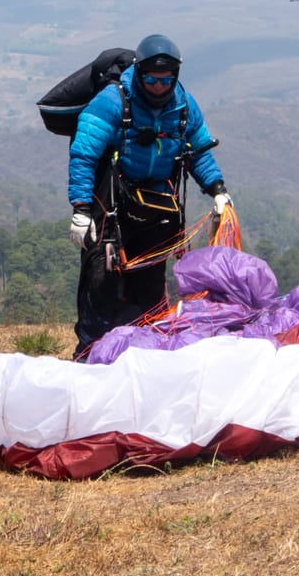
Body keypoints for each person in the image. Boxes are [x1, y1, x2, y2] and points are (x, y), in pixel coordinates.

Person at [66, 33, 230, 357]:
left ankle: (144, 355)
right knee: (101, 283)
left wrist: (217, 190)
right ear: (139, 73)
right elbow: (83, 154)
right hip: (110, 205)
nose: (158, 86)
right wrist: (81, 210)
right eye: (151, 79)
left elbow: (198, 152)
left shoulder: (183, 105)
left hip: (156, 208)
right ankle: (89, 355)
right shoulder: (114, 101)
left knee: (151, 284)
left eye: (165, 79)